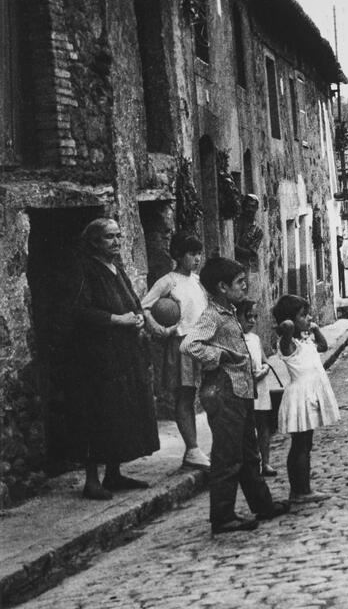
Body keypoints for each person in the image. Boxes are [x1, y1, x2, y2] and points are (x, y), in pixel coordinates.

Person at [181, 257, 288, 533]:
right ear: (222, 287)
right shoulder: (213, 315)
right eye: (240, 283)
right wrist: (221, 355)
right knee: (227, 456)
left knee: (248, 453)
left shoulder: (229, 311)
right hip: (223, 390)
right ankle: (223, 517)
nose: (244, 287)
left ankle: (262, 504)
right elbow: (189, 345)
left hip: (239, 390)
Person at [68, 218, 161, 500]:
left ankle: (114, 473)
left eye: (119, 236)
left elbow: (133, 301)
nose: (117, 242)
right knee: (99, 415)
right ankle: (92, 481)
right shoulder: (85, 269)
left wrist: (139, 317)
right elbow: (80, 311)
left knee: (122, 412)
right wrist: (117, 319)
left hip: (124, 355)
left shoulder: (116, 268)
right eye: (110, 237)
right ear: (95, 241)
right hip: (98, 357)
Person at [141, 232, 210, 471]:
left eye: (199, 253)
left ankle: (205, 446)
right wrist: (160, 329)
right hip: (182, 344)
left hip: (203, 343)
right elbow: (144, 306)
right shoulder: (168, 281)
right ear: (179, 255)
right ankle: (192, 449)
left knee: (207, 394)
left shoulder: (198, 281)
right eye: (192, 253)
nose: (197, 258)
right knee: (186, 396)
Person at [274, 294, 340, 503]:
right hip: (300, 397)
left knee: (305, 444)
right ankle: (299, 491)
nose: (309, 318)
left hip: (310, 393)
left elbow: (323, 346)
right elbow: (286, 331)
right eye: (304, 315)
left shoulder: (306, 339)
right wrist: (287, 327)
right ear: (291, 321)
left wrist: (315, 328)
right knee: (300, 445)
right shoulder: (288, 344)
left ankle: (303, 488)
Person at [237, 300, 277, 477]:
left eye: (254, 317)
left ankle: (266, 462)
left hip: (260, 386)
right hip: (245, 388)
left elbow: (264, 361)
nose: (252, 321)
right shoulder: (235, 339)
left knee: (263, 425)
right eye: (248, 317)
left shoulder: (255, 339)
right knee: (247, 426)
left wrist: (265, 369)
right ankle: (250, 463)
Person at [234, 194, 263, 267]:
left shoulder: (258, 230)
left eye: (253, 206)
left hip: (242, 265)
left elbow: (251, 253)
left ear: (256, 208)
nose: (250, 209)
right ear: (243, 207)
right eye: (247, 206)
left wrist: (234, 248)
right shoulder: (234, 221)